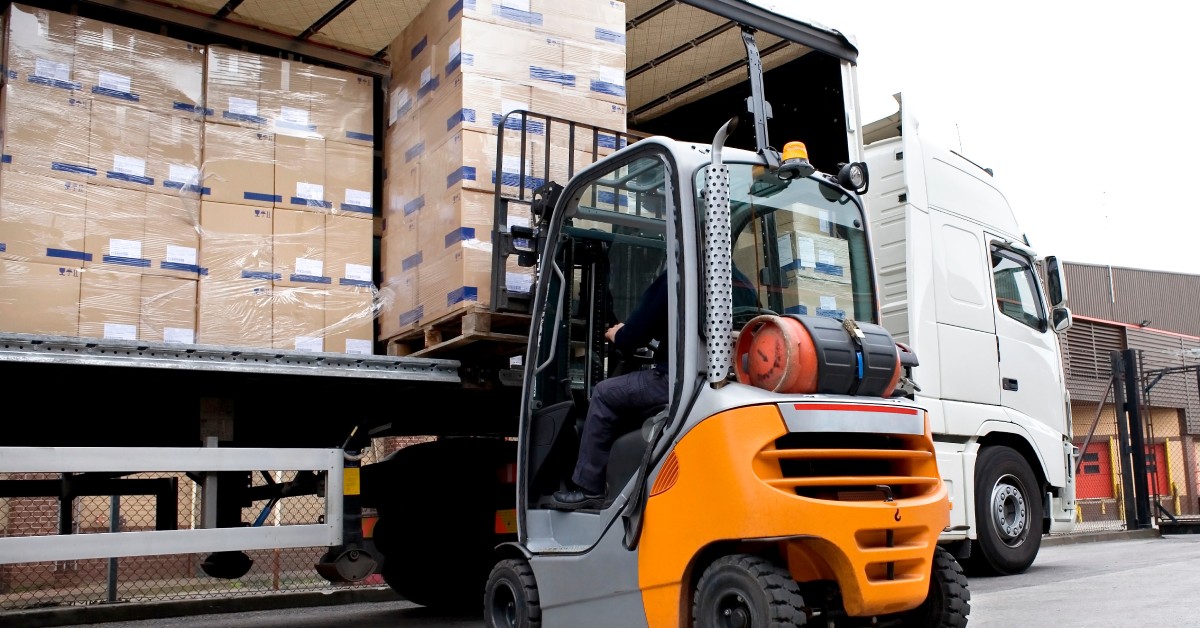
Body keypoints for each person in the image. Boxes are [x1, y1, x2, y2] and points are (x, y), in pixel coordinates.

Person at [552, 270, 670, 510]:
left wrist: (620, 334)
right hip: (708, 380)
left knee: (605, 393)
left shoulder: (678, 274)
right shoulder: (738, 283)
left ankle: (590, 488)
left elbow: (636, 332)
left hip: (671, 381)